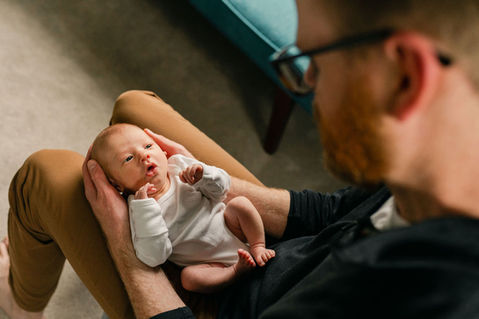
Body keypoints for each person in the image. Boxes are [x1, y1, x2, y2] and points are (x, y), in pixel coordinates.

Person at [2, 0, 479, 317]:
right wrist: (213, 181)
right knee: (135, 108)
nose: (308, 81)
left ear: (406, 80)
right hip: (278, 251)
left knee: (45, 175)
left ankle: (20, 301)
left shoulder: (387, 295)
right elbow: (333, 214)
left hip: (234, 297)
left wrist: (126, 251)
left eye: (316, 61)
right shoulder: (433, 167)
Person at [90, 123, 275, 293]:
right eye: (128, 158)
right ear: (117, 186)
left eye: (148, 146)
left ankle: (258, 245)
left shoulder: (179, 167)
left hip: (234, 229)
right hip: (211, 264)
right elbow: (155, 257)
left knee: (239, 204)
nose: (143, 155)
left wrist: (204, 176)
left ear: (163, 152)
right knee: (189, 279)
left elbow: (222, 191)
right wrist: (146, 208)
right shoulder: (137, 210)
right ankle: (234, 272)